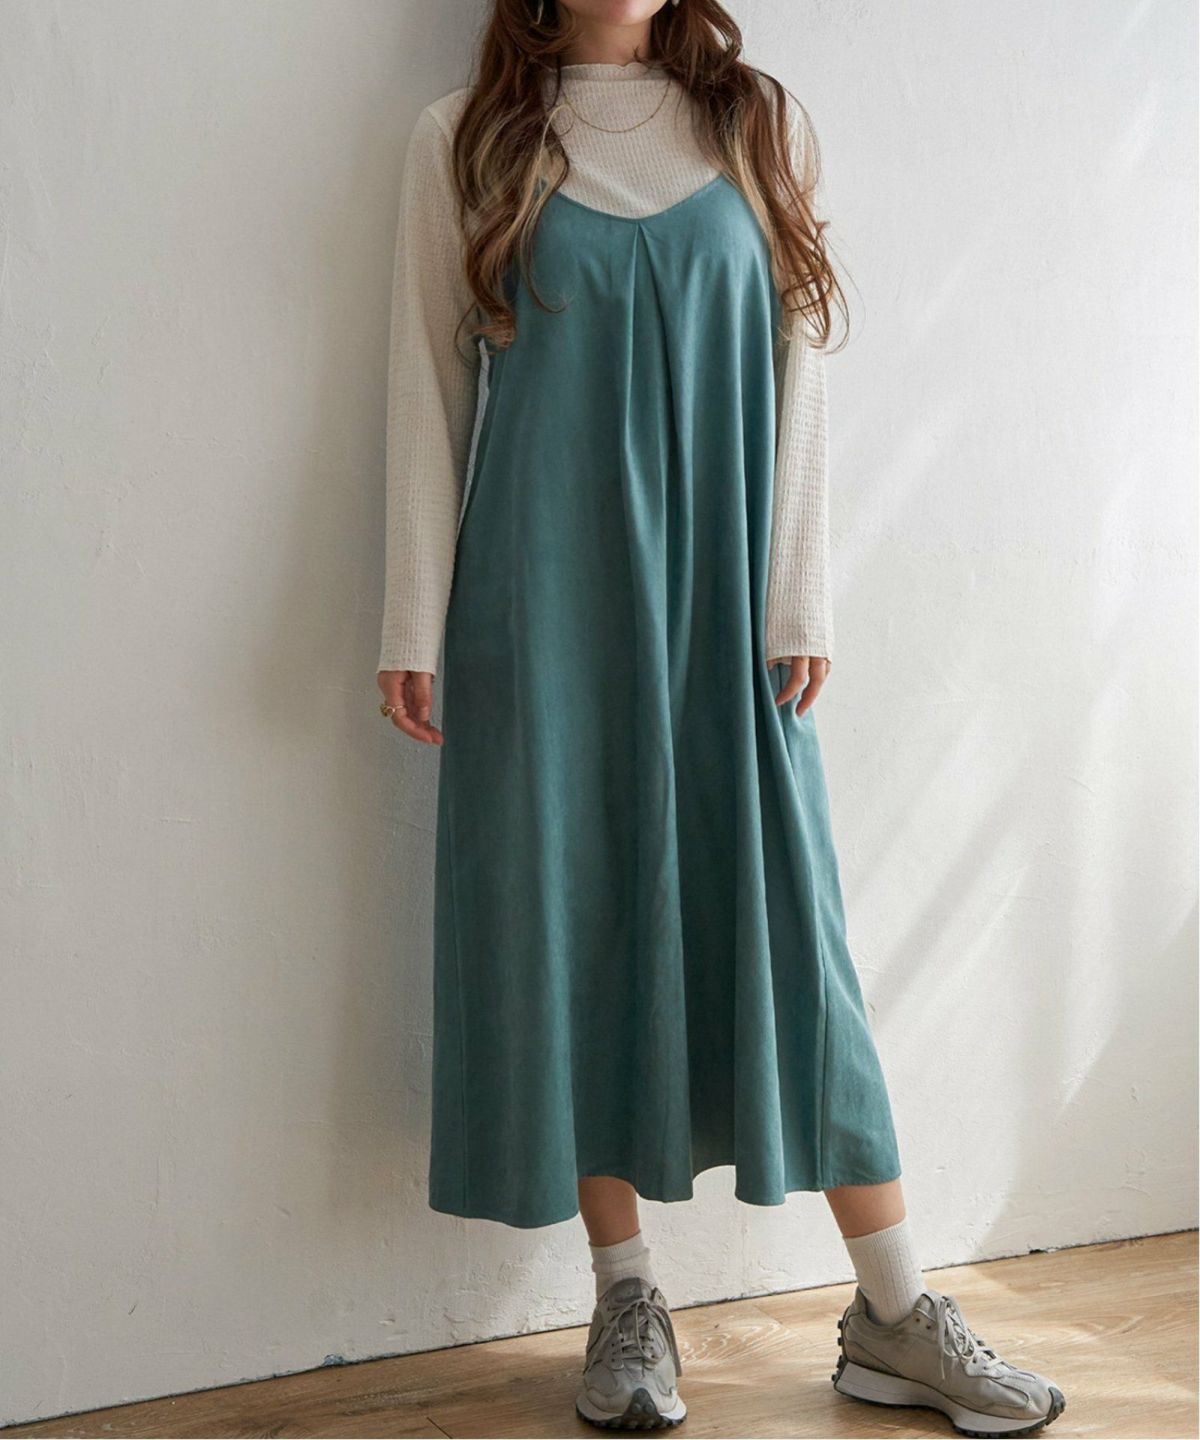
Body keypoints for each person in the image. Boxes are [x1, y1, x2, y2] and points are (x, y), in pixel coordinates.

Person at [376, 1, 1066, 1434]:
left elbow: (804, 362)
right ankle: (626, 1298)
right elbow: (427, 382)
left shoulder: (757, 121)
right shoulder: (467, 140)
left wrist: (800, 595)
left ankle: (894, 1314)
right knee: (574, 920)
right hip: (540, 602)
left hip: (727, 602)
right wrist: (412, 620)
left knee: (793, 939)